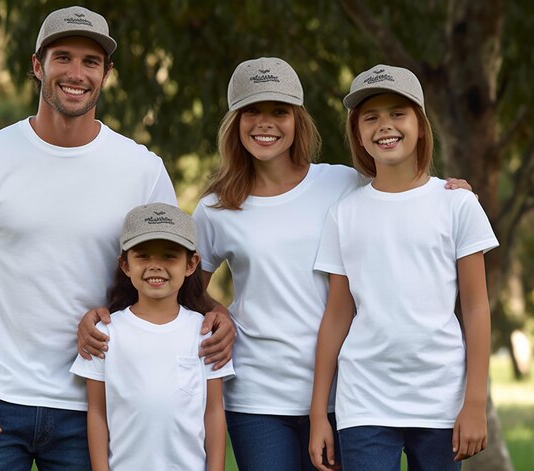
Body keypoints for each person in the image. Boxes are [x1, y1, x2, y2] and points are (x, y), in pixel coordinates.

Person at [78, 57, 471, 470]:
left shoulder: (342, 183)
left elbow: (404, 192)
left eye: (279, 111)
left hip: (346, 394)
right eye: (252, 111)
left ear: (298, 119)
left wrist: (449, 189)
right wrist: (216, 314)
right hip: (257, 398)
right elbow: (184, 285)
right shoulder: (216, 208)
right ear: (235, 121)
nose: (265, 123)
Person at [0, 6, 182, 469]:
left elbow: (166, 274)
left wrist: (216, 314)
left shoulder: (142, 169)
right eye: (62, 57)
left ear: (107, 73)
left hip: (95, 403)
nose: (76, 73)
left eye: (91, 62)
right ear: (37, 65)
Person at [308, 64, 498, 471]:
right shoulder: (344, 214)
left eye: (398, 113)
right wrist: (318, 413)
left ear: (421, 126)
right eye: (370, 117)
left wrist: (475, 401)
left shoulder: (457, 205)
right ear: (358, 132)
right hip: (364, 403)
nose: (385, 126)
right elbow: (337, 314)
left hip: (441, 401)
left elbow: (477, 307)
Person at [70, 203, 235, 470]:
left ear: (191, 264)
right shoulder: (105, 333)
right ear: (125, 265)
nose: (155, 266)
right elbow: (97, 413)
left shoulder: (204, 333)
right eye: (143, 256)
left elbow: (214, 412)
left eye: (169, 256)